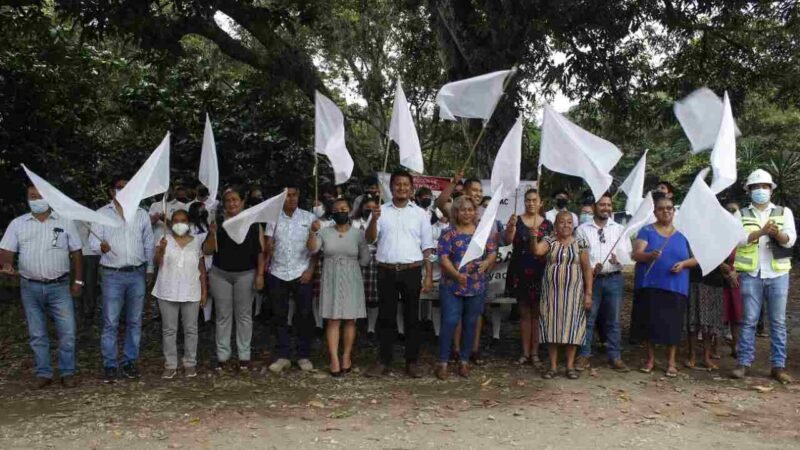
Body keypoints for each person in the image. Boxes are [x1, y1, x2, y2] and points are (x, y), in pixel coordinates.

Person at [0, 185, 83, 388]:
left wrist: (78, 281)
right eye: (32, 196)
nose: (36, 200)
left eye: (40, 196)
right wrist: (7, 264)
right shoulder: (18, 224)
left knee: (68, 332)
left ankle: (67, 372)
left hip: (60, 286)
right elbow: (6, 249)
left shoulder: (65, 222)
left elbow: (77, 253)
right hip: (30, 286)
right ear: (27, 199)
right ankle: (43, 373)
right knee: (37, 333)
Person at [365, 170, 434, 378]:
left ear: (412, 189)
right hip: (385, 270)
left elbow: (427, 248)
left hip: (411, 270)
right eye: (397, 184)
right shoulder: (380, 211)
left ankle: (411, 362)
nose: (401, 188)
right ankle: (384, 360)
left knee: (412, 317)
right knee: (386, 318)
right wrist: (374, 220)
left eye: (406, 184)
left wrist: (428, 275)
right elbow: (369, 239)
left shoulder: (421, 214)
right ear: (391, 187)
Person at [731, 169, 796, 384]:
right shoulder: (741, 214)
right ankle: (743, 363)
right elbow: (737, 240)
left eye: (764, 187)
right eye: (756, 187)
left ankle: (778, 366)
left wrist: (776, 233)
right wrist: (761, 232)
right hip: (751, 273)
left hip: (778, 272)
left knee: (777, 322)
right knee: (748, 320)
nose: (760, 190)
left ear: (771, 189)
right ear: (749, 190)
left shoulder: (783, 212)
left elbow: (790, 241)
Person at [90, 176, 155, 382]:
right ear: (111, 191)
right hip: (112, 275)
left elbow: (148, 243)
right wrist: (100, 246)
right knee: (111, 321)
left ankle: (129, 362)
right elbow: (92, 242)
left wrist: (150, 269)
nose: (123, 191)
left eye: (127, 188)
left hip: (137, 273)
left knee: (135, 321)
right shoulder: (101, 214)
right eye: (119, 187)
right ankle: (110, 365)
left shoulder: (142, 214)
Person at [631, 193, 696, 378]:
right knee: (650, 324)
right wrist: (649, 255)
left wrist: (684, 264)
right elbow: (636, 254)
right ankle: (650, 359)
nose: (665, 211)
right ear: (655, 212)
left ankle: (671, 362)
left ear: (674, 211)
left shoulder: (684, 233)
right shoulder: (647, 231)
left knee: (672, 325)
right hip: (650, 284)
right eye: (661, 208)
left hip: (676, 286)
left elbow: (697, 258)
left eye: (669, 208)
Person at [202, 186, 265, 372]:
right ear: (224, 204)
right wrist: (212, 234)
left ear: (242, 202)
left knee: (244, 316)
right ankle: (223, 356)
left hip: (246, 274)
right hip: (220, 274)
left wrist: (260, 275)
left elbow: (261, 252)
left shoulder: (253, 223)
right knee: (223, 316)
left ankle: (244, 356)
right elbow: (206, 250)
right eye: (228, 200)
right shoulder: (218, 223)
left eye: (235, 199)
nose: (232, 203)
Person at [434, 196, 498, 380]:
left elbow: (492, 252)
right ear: (456, 212)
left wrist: (487, 262)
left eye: (470, 210)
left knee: (471, 324)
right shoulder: (448, 233)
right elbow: (443, 258)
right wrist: (456, 275)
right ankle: (443, 362)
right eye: (463, 210)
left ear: (475, 212)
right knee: (450, 322)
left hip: (476, 286)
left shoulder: (482, 232)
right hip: (452, 285)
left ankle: (464, 361)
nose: (467, 213)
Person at [307, 198, 370, 376]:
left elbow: (365, 259)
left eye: (344, 208)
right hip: (331, 277)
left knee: (350, 320)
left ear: (350, 211)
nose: (340, 211)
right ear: (332, 213)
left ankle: (346, 356)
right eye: (337, 209)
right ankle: (334, 359)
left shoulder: (358, 234)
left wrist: (350, 263)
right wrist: (312, 232)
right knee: (333, 320)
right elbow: (312, 249)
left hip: (352, 277)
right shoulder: (324, 232)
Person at [532, 211, 592, 380]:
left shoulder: (580, 243)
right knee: (552, 328)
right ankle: (552, 366)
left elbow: (587, 269)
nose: (565, 225)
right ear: (555, 225)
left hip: (574, 294)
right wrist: (533, 237)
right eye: (561, 222)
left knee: (572, 329)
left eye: (569, 222)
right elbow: (537, 251)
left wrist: (588, 293)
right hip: (552, 294)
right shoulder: (549, 241)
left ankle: (570, 366)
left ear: (573, 225)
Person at [574, 193, 629, 372]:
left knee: (613, 320)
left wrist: (618, 260)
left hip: (614, 279)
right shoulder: (583, 229)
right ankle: (584, 354)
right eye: (602, 205)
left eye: (608, 205)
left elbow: (626, 256)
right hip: (592, 280)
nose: (606, 208)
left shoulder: (619, 229)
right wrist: (591, 268)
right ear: (595, 207)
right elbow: (578, 254)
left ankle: (615, 356)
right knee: (588, 318)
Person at [266, 185, 318, 374]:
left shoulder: (308, 218)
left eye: (295, 195)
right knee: (279, 315)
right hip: (278, 272)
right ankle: (283, 355)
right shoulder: (273, 218)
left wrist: (310, 270)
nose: (292, 199)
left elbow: (315, 249)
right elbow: (267, 247)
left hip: (301, 271)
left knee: (304, 314)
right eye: (288, 196)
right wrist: (268, 247)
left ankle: (303, 354)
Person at [153, 210, 208, 379]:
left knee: (191, 330)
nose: (179, 223)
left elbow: (202, 268)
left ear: (188, 222)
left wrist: (204, 290)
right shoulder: (164, 240)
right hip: (167, 290)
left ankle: (190, 363)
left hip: (191, 290)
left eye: (183, 220)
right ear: (170, 223)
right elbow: (157, 262)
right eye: (175, 220)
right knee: (169, 330)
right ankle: (170, 364)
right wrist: (161, 250)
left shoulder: (196, 242)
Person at [504, 188, 552, 368]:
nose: (531, 203)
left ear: (540, 203)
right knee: (524, 314)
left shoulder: (547, 225)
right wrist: (511, 227)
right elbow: (508, 241)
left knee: (537, 315)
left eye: (534, 200)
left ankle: (535, 353)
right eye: (528, 200)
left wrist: (535, 238)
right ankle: (524, 352)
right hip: (520, 271)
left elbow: (544, 248)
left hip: (540, 271)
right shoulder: (517, 220)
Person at [685, 263, 726, 371]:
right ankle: (692, 355)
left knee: (710, 323)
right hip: (696, 279)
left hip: (714, 282)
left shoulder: (721, 246)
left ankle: (706, 357)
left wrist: (723, 266)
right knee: (693, 319)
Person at [352, 196, 380, 339]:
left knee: (372, 295)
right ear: (361, 208)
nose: (369, 210)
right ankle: (354, 324)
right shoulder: (354, 222)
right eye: (366, 207)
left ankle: (371, 328)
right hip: (355, 259)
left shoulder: (380, 221)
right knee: (355, 293)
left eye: (372, 207)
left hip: (374, 258)